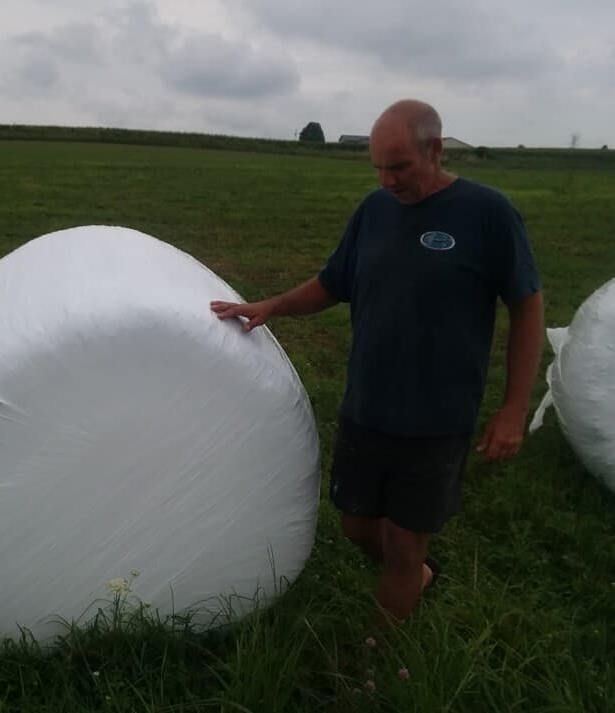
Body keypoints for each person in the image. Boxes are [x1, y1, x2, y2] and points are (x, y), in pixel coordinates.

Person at [210, 99, 544, 625]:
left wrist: (514, 408)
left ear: (434, 150)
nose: (387, 180)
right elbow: (333, 283)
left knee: (407, 546)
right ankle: (416, 578)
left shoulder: (487, 213)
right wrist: (272, 306)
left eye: (400, 167)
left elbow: (527, 306)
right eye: (378, 168)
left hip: (437, 418)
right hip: (368, 404)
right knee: (357, 527)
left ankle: (378, 659)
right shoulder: (375, 209)